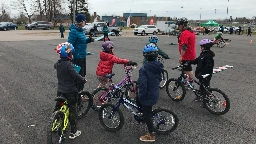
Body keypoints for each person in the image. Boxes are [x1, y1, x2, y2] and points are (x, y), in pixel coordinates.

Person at [54, 43, 86, 139]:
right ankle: (73, 132)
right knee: (73, 110)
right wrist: (83, 79)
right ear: (68, 55)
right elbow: (75, 75)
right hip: (70, 91)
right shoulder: (69, 65)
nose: (72, 55)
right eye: (71, 53)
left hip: (60, 90)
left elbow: (55, 66)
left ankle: (55, 121)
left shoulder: (58, 64)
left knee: (58, 107)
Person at [136, 43, 163, 142]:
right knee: (139, 100)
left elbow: (143, 85)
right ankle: (141, 111)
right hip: (154, 92)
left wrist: (141, 95)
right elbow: (160, 79)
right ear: (156, 55)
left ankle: (151, 135)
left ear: (145, 56)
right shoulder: (159, 66)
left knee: (147, 115)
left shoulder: (144, 69)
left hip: (147, 95)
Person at [68, 14, 94, 91]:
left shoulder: (81, 31)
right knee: (78, 76)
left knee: (83, 75)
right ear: (81, 22)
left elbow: (81, 42)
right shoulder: (74, 31)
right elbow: (69, 44)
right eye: (84, 20)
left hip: (83, 56)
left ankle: (80, 93)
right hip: (77, 57)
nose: (85, 22)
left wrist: (88, 40)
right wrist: (69, 56)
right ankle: (77, 94)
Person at [186, 39, 215, 107]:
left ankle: (207, 101)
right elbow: (198, 60)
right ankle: (201, 96)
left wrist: (203, 73)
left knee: (206, 87)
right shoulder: (203, 53)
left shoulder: (208, 56)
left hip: (205, 75)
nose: (200, 47)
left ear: (205, 47)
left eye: (201, 46)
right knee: (202, 86)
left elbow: (209, 67)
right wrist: (189, 62)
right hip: (201, 74)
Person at [176, 17, 196, 87]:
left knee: (187, 70)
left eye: (179, 25)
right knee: (185, 68)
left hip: (187, 55)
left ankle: (190, 82)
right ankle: (185, 80)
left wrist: (181, 56)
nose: (178, 27)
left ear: (183, 25)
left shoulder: (185, 33)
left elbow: (184, 46)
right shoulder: (191, 31)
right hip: (191, 54)